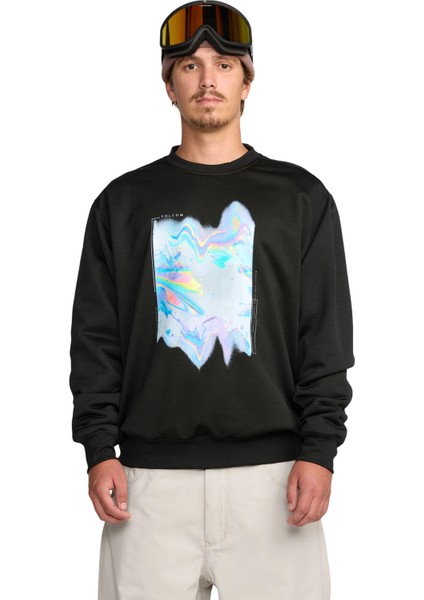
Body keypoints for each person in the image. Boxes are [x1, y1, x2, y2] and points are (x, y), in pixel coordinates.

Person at [69, 1, 354, 598]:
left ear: (247, 82)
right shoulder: (122, 204)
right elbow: (95, 338)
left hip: (275, 481)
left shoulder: (301, 198)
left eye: (224, 65)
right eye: (189, 66)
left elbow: (324, 335)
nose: (207, 80)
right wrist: (99, 449)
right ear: (168, 85)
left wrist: (320, 451)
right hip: (146, 483)